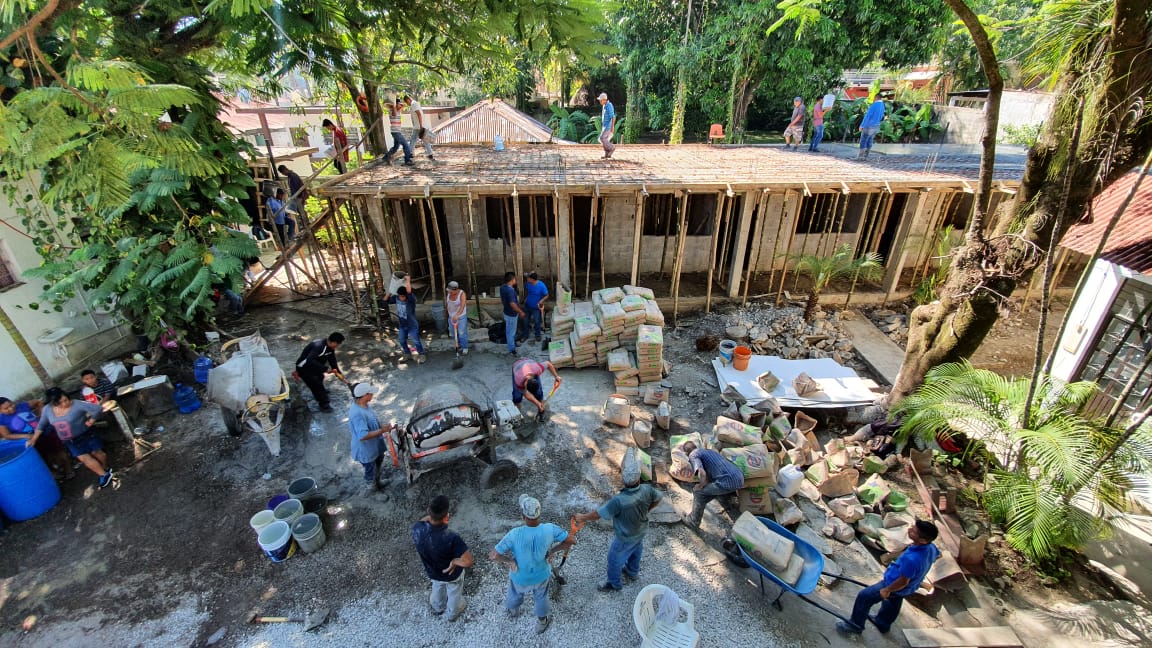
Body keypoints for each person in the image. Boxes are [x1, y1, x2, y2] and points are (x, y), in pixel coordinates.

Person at [490, 494, 576, 635]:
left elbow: (494, 555)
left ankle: (513, 611)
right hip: (541, 574)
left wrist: (510, 561)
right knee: (541, 597)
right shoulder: (550, 529)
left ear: (523, 516)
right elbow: (571, 540)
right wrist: (552, 551)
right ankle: (542, 622)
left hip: (520, 575)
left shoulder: (514, 534)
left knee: (515, 592)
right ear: (539, 513)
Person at [836, 520, 940, 635]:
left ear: (922, 540)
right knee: (894, 600)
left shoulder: (912, 559)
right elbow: (938, 555)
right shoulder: (931, 548)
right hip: (910, 586)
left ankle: (855, 625)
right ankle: (882, 623)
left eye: (914, 531)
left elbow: (903, 582)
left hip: (894, 584)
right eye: (913, 527)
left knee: (864, 597)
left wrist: (887, 589)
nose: (910, 529)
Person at [574, 457, 663, 592]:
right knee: (636, 551)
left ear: (623, 479)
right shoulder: (646, 489)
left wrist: (582, 517)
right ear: (638, 479)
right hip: (640, 531)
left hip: (625, 537)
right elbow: (659, 498)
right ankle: (632, 572)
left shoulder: (619, 500)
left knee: (614, 560)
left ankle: (614, 583)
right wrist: (647, 510)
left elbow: (598, 514)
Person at [33, 387, 114, 489]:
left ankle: (105, 468)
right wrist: (33, 439)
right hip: (69, 441)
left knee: (97, 453)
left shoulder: (76, 404)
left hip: (86, 434)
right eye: (60, 402)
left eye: (66, 400)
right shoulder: (47, 409)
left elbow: (97, 409)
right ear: (53, 403)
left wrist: (91, 420)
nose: (64, 404)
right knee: (84, 458)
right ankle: (104, 475)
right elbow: (41, 425)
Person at [412, 495, 475, 621]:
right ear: (446, 517)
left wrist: (431, 516)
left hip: (433, 572)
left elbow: (424, 521)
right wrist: (455, 561)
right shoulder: (452, 538)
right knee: (453, 591)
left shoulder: (417, 529)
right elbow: (469, 561)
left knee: (437, 586)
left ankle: (438, 607)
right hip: (451, 575)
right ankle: (452, 613)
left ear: (428, 512)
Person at [0, 396, 72, 479]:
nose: (11, 408)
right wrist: (26, 436)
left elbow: (38, 402)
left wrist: (41, 417)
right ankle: (53, 473)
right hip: (31, 439)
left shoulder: (22, 406)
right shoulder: (1, 420)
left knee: (58, 450)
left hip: (44, 431)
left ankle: (69, 469)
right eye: (6, 408)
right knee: (42, 456)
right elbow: (7, 435)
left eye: (11, 404)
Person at [679, 441, 744, 529]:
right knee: (711, 488)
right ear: (695, 446)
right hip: (740, 478)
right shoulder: (709, 451)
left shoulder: (693, 455)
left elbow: (701, 473)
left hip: (727, 481)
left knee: (699, 493)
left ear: (686, 453)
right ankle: (726, 503)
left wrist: (700, 485)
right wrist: (704, 483)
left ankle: (693, 521)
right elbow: (711, 474)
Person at [347, 383, 394, 493]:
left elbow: (371, 421)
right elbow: (363, 436)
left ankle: (378, 482)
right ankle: (373, 490)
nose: (373, 395)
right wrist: (382, 430)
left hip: (374, 445)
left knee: (377, 465)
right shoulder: (357, 414)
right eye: (371, 393)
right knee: (370, 471)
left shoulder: (365, 405)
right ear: (365, 395)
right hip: (366, 450)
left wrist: (381, 427)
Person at [293, 332, 345, 412]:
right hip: (304, 367)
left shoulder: (330, 348)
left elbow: (332, 360)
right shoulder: (319, 346)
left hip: (313, 366)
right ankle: (324, 405)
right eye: (337, 344)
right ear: (332, 342)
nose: (337, 346)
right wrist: (325, 369)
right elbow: (309, 360)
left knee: (321, 377)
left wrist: (338, 373)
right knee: (316, 384)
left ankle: (321, 392)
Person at [384, 274, 426, 363]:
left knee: (416, 341)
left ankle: (422, 354)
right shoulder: (396, 298)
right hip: (402, 325)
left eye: (403, 296)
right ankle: (407, 354)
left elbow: (409, 292)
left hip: (412, 325)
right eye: (400, 296)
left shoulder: (411, 299)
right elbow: (386, 300)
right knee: (402, 340)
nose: (401, 298)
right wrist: (391, 291)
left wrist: (407, 280)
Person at [500, 272, 526, 355]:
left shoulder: (502, 287)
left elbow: (503, 300)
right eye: (515, 279)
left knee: (510, 331)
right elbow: (512, 304)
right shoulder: (510, 290)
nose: (515, 280)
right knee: (511, 333)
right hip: (511, 314)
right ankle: (512, 350)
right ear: (511, 280)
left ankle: (512, 344)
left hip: (506, 312)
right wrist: (520, 311)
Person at [403, 95, 435, 160]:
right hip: (419, 125)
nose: (407, 104)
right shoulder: (415, 104)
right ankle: (430, 154)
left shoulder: (413, 104)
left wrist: (421, 126)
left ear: (408, 100)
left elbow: (419, 114)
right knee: (425, 139)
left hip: (418, 126)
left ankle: (410, 154)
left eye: (407, 103)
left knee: (413, 139)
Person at [383, 99, 415, 167]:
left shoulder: (398, 110)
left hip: (396, 131)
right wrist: (394, 105)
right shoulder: (392, 110)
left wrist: (399, 104)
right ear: (395, 104)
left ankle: (386, 157)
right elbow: (394, 114)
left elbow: (404, 105)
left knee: (395, 147)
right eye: (398, 104)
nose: (400, 105)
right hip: (396, 132)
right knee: (405, 145)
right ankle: (407, 160)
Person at [522, 272, 549, 342]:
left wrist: (541, 301)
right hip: (527, 306)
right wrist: (525, 298)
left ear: (532, 279)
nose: (527, 279)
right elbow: (527, 291)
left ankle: (537, 335)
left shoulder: (541, 285)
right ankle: (525, 335)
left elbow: (547, 295)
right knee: (525, 321)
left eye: (528, 278)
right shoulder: (528, 283)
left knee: (537, 321)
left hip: (536, 308)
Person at [445, 280, 469, 355]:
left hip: (460, 317)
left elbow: (462, 307)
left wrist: (457, 315)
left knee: (462, 333)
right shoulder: (449, 293)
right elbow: (447, 304)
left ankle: (465, 347)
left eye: (451, 291)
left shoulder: (462, 294)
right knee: (453, 333)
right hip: (451, 318)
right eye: (448, 291)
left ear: (456, 290)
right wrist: (446, 313)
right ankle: (458, 345)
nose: (449, 293)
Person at [597, 93, 616, 159]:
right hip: (605, 126)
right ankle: (607, 153)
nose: (600, 101)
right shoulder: (604, 105)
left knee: (602, 138)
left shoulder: (609, 105)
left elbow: (613, 117)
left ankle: (612, 147)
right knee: (602, 139)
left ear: (604, 100)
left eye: (601, 100)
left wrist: (612, 127)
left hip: (608, 126)